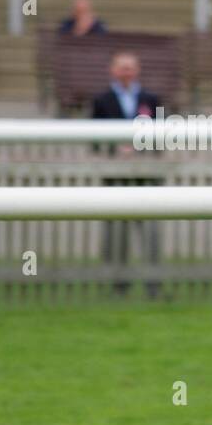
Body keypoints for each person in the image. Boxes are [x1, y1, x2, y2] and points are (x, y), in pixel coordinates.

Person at [91, 52, 163, 297]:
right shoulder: (101, 100)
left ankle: (153, 285)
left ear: (137, 70)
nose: (126, 72)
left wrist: (140, 148)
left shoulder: (151, 99)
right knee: (115, 234)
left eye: (130, 67)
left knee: (151, 232)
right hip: (115, 176)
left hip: (146, 175)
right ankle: (118, 286)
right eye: (122, 68)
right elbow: (93, 138)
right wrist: (116, 147)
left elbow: (162, 136)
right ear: (113, 70)